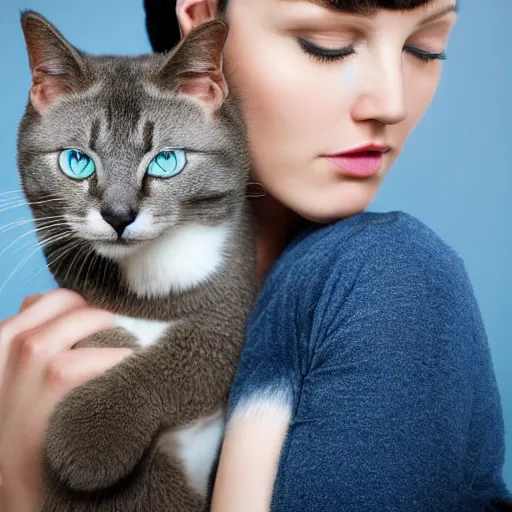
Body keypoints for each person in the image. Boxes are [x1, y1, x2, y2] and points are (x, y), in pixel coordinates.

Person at [0, 0, 510, 510]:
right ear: (202, 22)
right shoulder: (78, 330)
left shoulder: (385, 275)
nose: (391, 103)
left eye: (426, 49)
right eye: (328, 44)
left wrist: (25, 493)